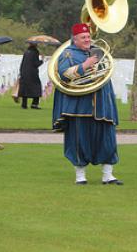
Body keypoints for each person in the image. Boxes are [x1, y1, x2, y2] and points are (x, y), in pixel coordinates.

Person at [52, 23, 122, 185]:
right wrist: (86, 65)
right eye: (83, 37)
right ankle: (80, 176)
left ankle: (108, 175)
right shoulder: (68, 54)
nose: (87, 39)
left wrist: (97, 62)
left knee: (107, 139)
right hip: (79, 105)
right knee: (79, 140)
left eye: (88, 36)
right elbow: (64, 75)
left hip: (102, 104)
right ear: (75, 39)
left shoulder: (98, 52)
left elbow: (106, 70)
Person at [18, 42, 43, 109]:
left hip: (24, 72)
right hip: (32, 73)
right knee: (37, 88)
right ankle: (34, 104)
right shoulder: (35, 52)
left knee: (25, 89)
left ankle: (24, 104)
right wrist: (42, 60)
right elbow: (36, 64)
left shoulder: (26, 52)